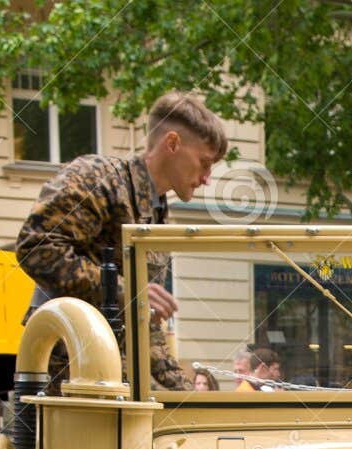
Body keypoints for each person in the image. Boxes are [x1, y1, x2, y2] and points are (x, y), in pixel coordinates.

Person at [15, 91, 228, 389]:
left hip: (116, 382)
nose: (206, 177)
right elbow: (36, 247)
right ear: (172, 143)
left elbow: (146, 326)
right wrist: (128, 292)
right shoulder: (98, 177)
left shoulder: (157, 214)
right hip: (70, 382)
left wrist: (190, 396)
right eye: (204, 162)